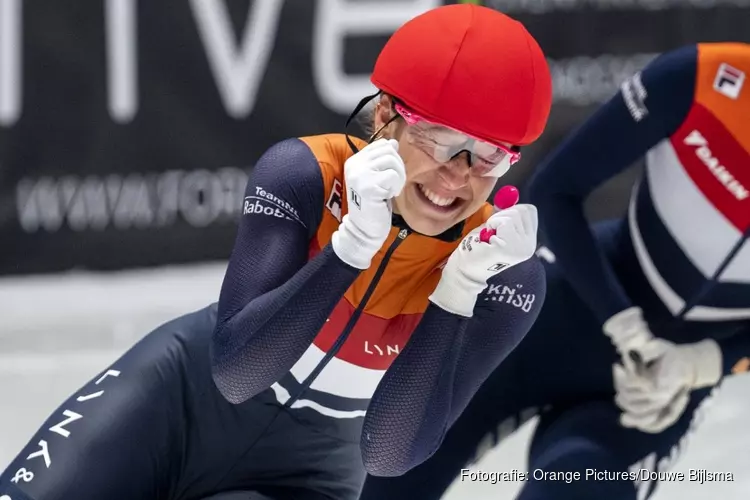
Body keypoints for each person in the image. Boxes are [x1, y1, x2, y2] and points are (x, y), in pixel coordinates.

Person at [0, 4, 553, 500]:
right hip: (176, 405)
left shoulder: (503, 273)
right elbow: (237, 375)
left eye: (488, 156)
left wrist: (456, 293)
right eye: (440, 138)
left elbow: (390, 454)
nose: (455, 177)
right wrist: (351, 246)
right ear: (386, 113)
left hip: (304, 476)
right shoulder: (305, 173)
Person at [358, 41, 750, 500]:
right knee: (398, 465)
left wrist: (703, 365)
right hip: (577, 303)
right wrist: (625, 325)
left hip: (655, 391)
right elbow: (556, 190)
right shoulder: (706, 77)